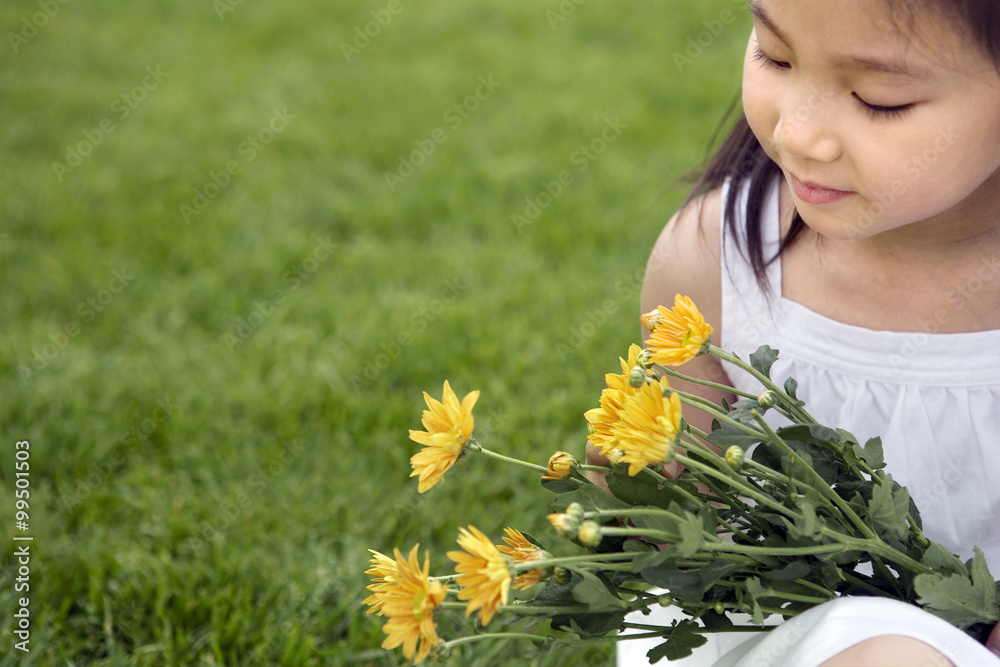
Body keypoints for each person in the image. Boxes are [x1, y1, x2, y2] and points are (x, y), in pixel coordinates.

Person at [591, 0, 1000, 664]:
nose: (799, 134)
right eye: (774, 56)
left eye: (880, 99)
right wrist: (635, 484)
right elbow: (673, 526)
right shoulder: (712, 258)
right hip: (778, 629)